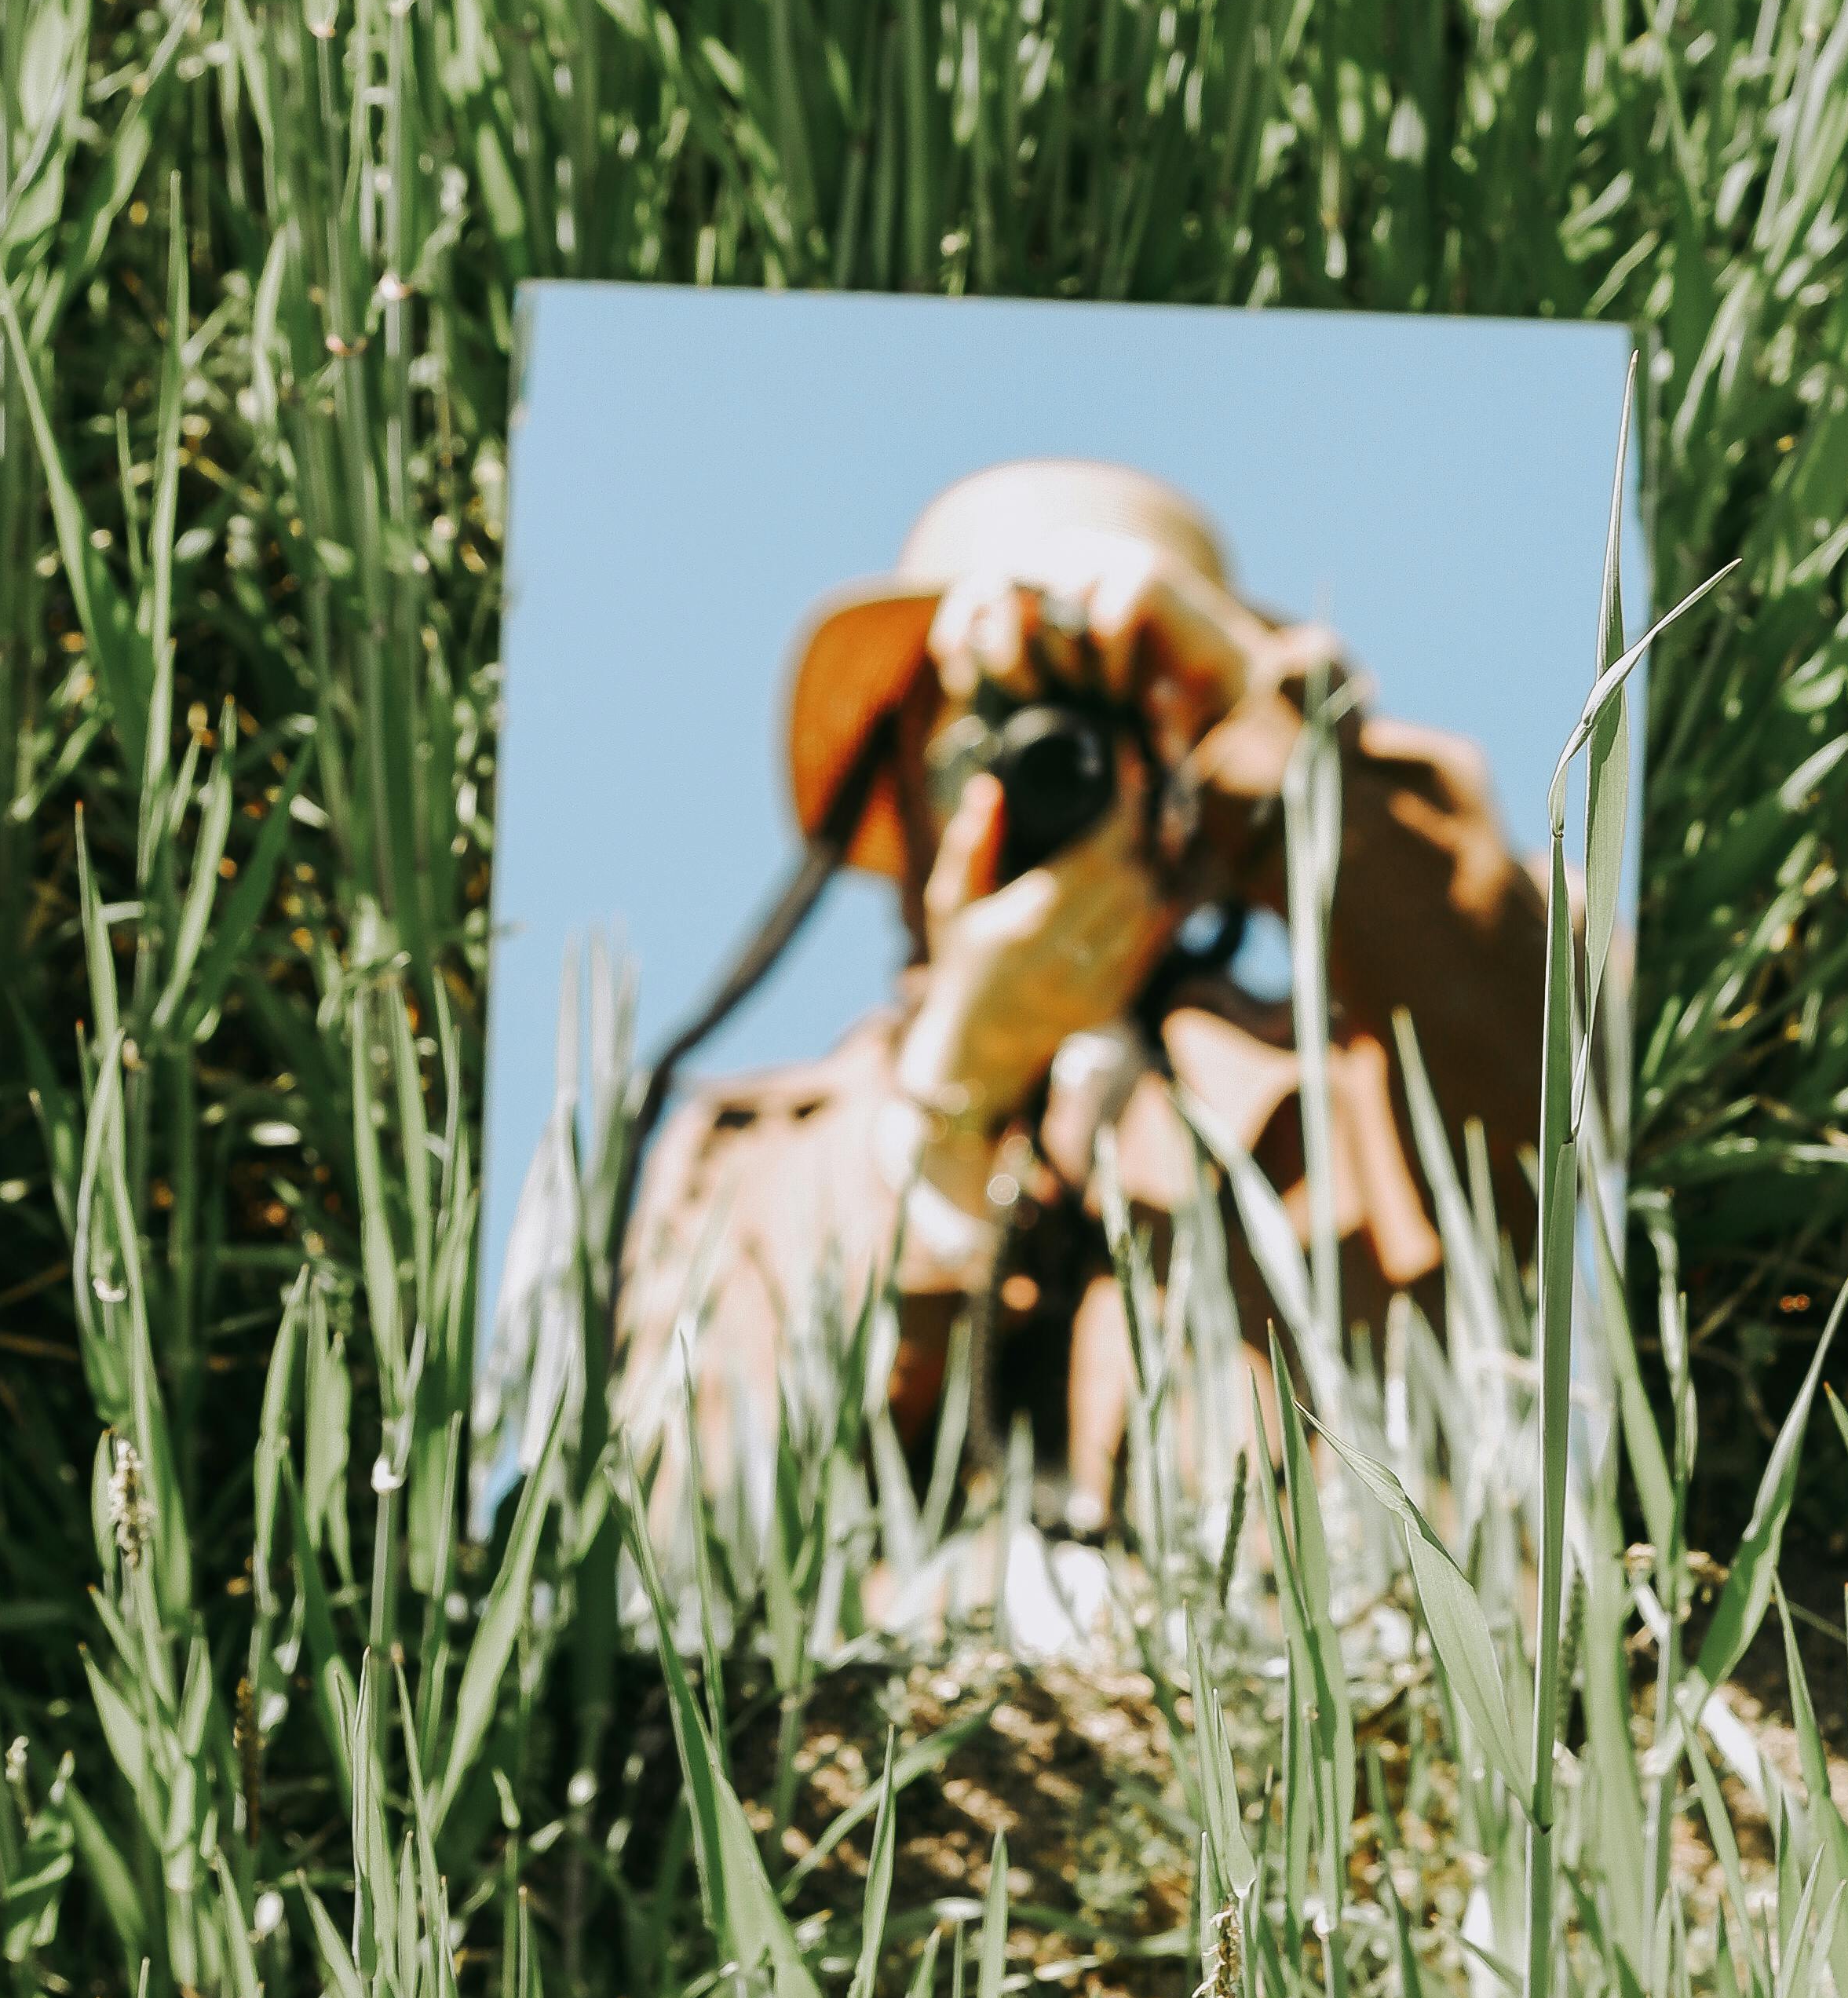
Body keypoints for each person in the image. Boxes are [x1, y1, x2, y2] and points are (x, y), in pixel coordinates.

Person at [608, 460, 1552, 1532]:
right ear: (901, 776)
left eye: (1107, 729)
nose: (1043, 770)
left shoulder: (1364, 1090)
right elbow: (682, 1511)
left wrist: (1270, 736)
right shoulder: (737, 1159)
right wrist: (947, 1116)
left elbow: (1573, 1071)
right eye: (985, 726)